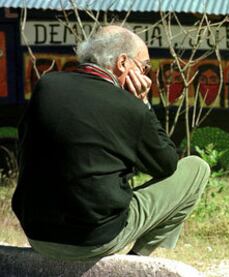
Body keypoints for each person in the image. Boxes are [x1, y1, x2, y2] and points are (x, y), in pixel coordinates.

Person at [12, 25, 210, 261]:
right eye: (144, 67)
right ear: (123, 63)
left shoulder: (47, 86)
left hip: (37, 233)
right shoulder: (131, 107)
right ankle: (136, 261)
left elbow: (22, 146)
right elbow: (166, 165)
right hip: (93, 240)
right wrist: (143, 104)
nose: (146, 76)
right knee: (197, 168)